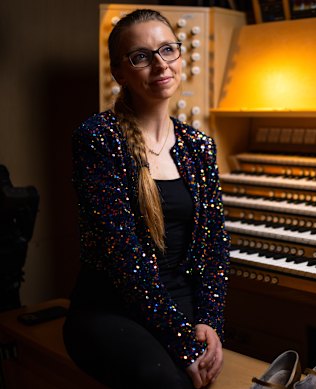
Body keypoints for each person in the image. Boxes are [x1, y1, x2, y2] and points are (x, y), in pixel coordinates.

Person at [62, 9, 230, 389]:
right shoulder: (97, 139)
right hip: (111, 307)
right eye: (141, 56)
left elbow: (216, 247)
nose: (160, 64)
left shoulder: (198, 146)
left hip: (182, 304)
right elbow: (123, 256)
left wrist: (209, 322)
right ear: (119, 73)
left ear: (180, 56)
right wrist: (182, 344)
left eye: (167, 50)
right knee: (166, 381)